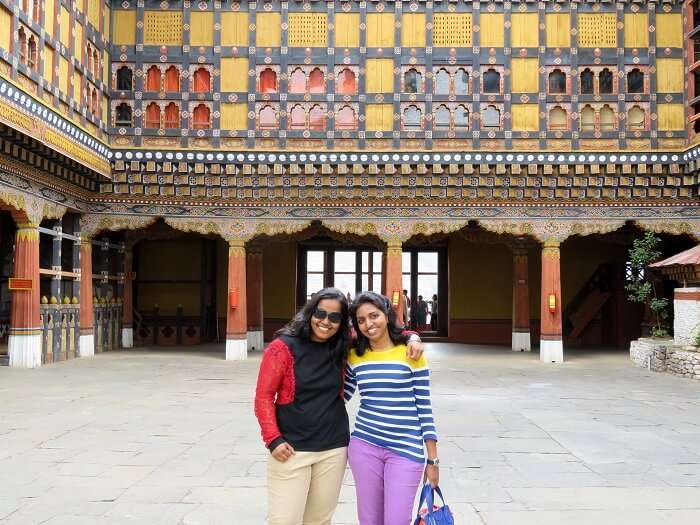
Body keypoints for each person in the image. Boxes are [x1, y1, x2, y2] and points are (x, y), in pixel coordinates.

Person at [254, 287, 424, 525]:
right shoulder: (283, 347)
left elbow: (383, 331)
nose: (326, 322)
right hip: (291, 449)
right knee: (284, 520)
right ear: (310, 312)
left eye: (335, 317)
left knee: (320, 521)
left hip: (333, 450)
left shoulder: (344, 346)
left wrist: (413, 336)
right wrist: (273, 439)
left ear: (343, 323)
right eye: (321, 314)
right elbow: (263, 397)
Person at [345, 292, 439, 525]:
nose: (368, 324)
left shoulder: (411, 353)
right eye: (361, 320)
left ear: (387, 315)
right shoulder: (355, 356)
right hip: (364, 446)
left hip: (405, 450)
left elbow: (424, 408)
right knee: (369, 521)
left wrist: (433, 460)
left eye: (373, 316)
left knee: (396, 520)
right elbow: (340, 397)